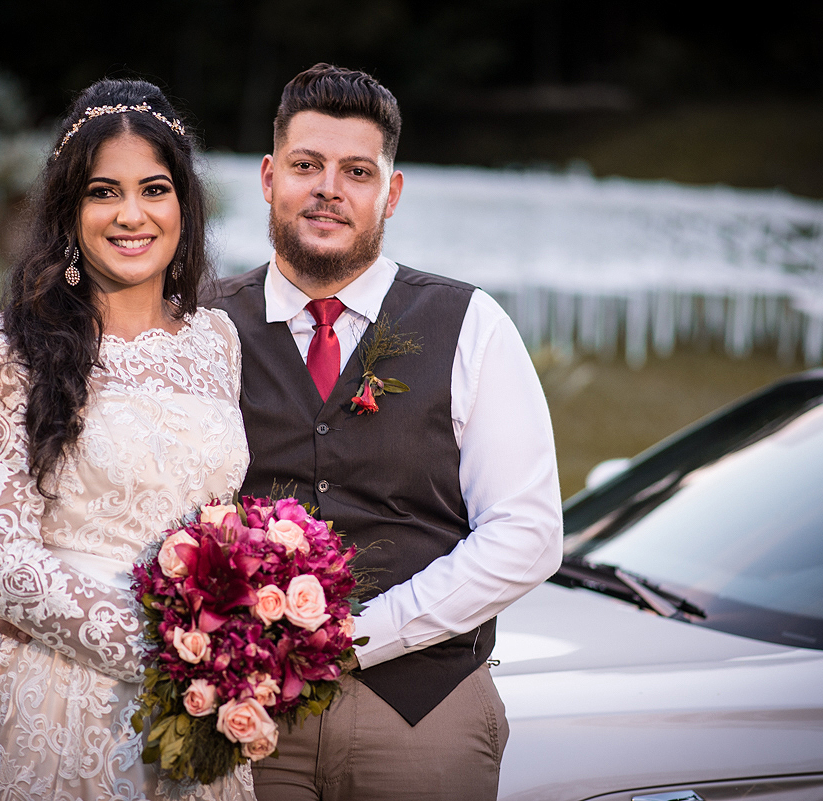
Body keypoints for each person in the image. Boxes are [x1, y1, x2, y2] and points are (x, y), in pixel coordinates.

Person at [0, 78, 255, 801]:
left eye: (154, 188)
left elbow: (220, 513)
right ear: (68, 210)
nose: (132, 215)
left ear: (184, 203)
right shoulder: (6, 348)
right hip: (48, 692)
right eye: (103, 192)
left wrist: (231, 646)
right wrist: (177, 658)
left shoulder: (217, 341)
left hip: (195, 710)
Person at [206, 64, 563, 800]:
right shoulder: (203, 329)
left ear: (390, 194)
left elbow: (527, 533)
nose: (329, 188)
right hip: (241, 709)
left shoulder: (471, 325)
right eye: (307, 165)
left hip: (422, 711)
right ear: (270, 178)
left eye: (357, 171)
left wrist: (353, 638)